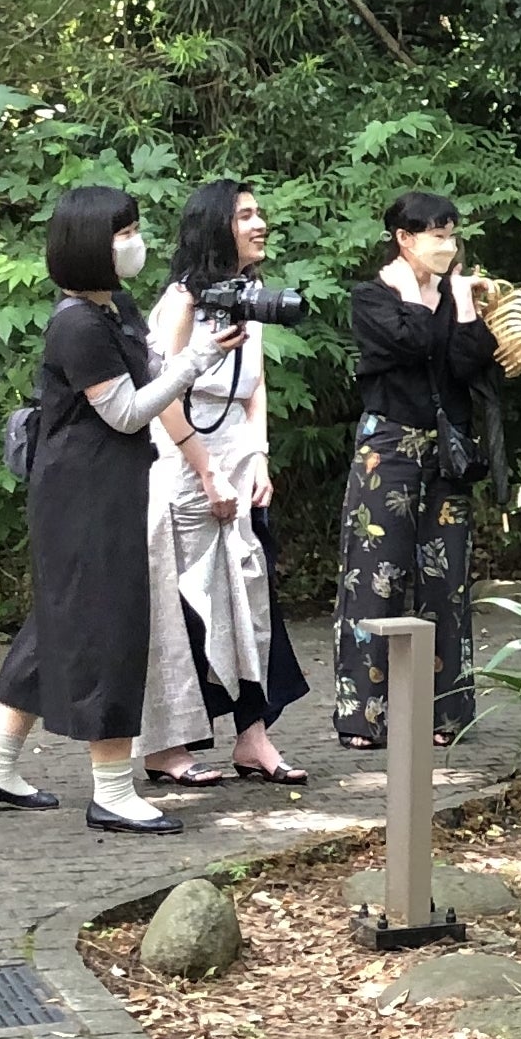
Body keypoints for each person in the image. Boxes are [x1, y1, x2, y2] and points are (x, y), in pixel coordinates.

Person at [0, 186, 238, 832]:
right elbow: (125, 413)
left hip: (104, 487)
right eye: (124, 233)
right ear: (90, 242)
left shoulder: (114, 308)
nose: (136, 243)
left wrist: (193, 352)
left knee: (58, 625)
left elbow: (150, 372)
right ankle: (112, 791)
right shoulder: (78, 325)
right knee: (105, 630)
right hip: (84, 497)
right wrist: (197, 361)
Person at [134, 180, 311, 788]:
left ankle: (253, 737)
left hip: (239, 453)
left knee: (252, 596)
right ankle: (166, 745)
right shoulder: (180, 303)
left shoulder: (251, 296)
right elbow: (161, 395)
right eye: (244, 216)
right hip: (185, 460)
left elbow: (254, 386)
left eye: (259, 213)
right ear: (216, 227)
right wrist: (206, 470)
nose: (260, 224)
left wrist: (258, 456)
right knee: (187, 600)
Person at [335, 188, 494, 750]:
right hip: (389, 446)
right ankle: (364, 715)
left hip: (447, 452)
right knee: (375, 574)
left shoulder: (453, 293)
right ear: (404, 238)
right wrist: (415, 298)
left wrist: (465, 305)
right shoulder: (371, 297)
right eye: (436, 236)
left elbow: (471, 363)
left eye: (452, 236)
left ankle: (446, 713)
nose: (447, 246)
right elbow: (413, 341)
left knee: (446, 579)